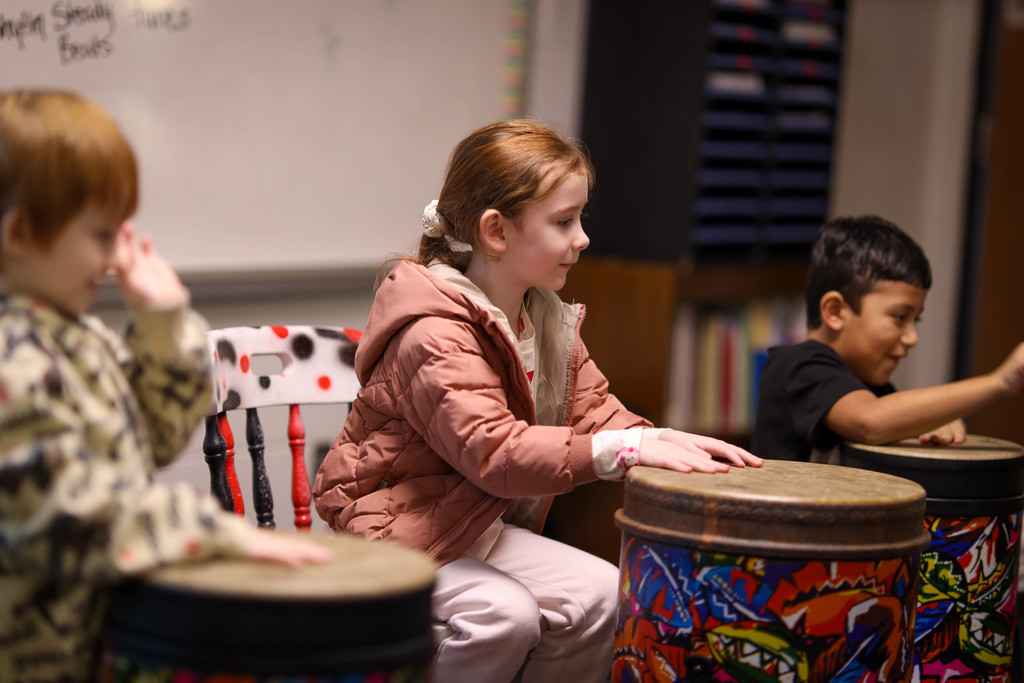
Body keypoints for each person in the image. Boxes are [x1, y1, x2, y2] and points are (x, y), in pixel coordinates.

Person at [313, 118, 763, 682]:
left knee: (604, 595)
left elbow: (596, 411)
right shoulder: (433, 331)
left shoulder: (541, 317)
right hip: (391, 534)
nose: (583, 238)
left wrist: (658, 440)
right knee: (504, 617)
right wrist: (623, 451)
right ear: (496, 232)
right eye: (564, 221)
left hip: (464, 524)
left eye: (580, 218)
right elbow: (494, 452)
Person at [0, 89, 331, 682]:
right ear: (21, 233)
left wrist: (162, 325)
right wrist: (216, 533)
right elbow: (70, 516)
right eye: (101, 235)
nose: (114, 258)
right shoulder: (11, 361)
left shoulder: (75, 334)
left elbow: (152, 438)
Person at [752, 214, 1024, 463]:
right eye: (899, 317)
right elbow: (871, 421)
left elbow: (890, 417)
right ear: (835, 311)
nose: (912, 338)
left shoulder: (870, 388)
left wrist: (932, 421)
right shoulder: (798, 365)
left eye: (915, 320)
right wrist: (998, 382)